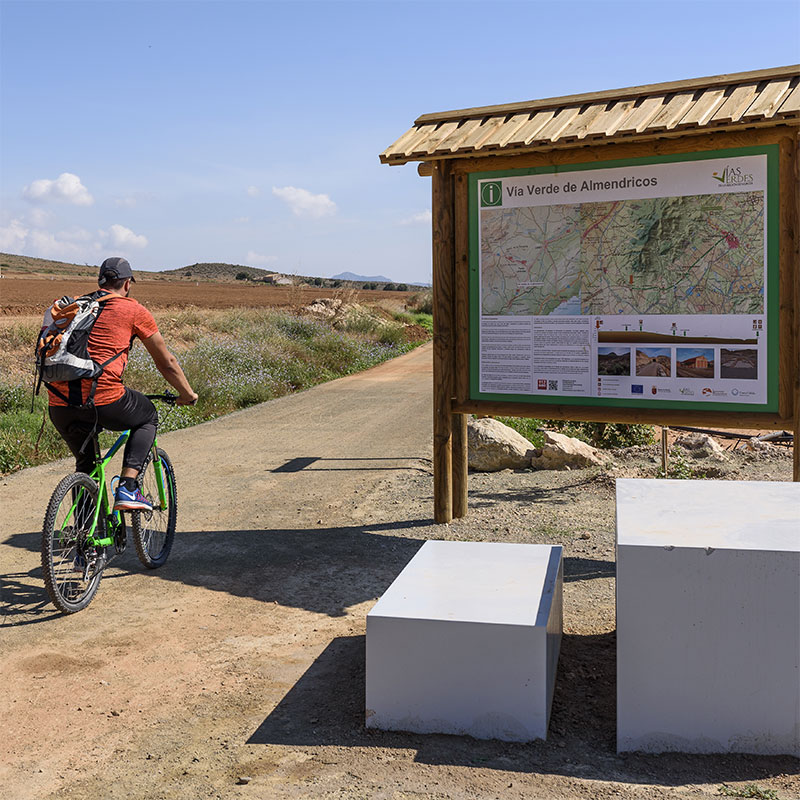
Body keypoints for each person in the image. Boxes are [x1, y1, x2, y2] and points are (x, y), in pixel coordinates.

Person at [47, 256, 198, 512]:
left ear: (100, 281)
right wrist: (187, 393)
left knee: (87, 467)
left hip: (59, 404)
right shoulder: (133, 310)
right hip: (103, 399)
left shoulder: (77, 306)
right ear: (127, 283)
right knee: (147, 415)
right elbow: (167, 363)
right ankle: (128, 487)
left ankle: (86, 546)